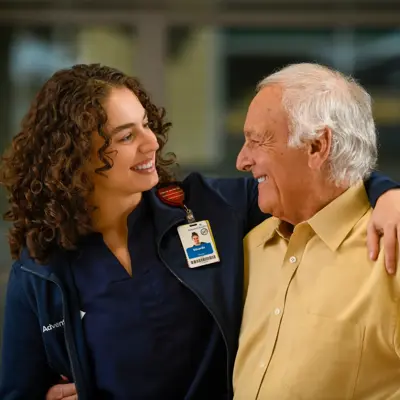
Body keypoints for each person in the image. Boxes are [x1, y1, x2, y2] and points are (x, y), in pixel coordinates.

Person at [0, 64, 398, 400]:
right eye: (126, 136)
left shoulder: (209, 208)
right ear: (74, 157)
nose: (152, 142)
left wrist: (390, 194)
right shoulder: (40, 273)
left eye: (145, 124)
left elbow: (325, 177)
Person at [233, 63, 400, 399]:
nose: (242, 160)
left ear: (316, 146)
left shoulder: (391, 247)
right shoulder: (253, 245)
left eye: (256, 141)